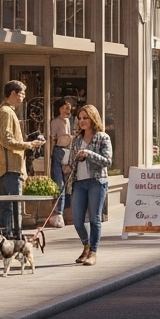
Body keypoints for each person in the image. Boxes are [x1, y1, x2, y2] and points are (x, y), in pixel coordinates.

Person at [0, 81, 44, 237]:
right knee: (14, 205)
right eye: (22, 94)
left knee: (8, 205)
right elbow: (6, 140)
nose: (23, 97)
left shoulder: (6, 111)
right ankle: (15, 236)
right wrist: (29, 145)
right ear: (13, 93)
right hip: (10, 167)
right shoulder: (6, 112)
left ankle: (8, 236)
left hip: (9, 166)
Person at [68, 104, 112, 266]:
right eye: (80, 118)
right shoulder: (77, 139)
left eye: (85, 118)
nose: (82, 121)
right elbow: (71, 162)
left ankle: (93, 252)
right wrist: (71, 162)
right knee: (78, 221)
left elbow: (107, 161)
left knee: (94, 219)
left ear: (93, 119)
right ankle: (86, 245)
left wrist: (89, 154)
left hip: (97, 181)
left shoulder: (102, 137)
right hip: (79, 182)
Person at [48, 98, 75, 220]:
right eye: (65, 107)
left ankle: (63, 209)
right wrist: (50, 153)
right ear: (60, 108)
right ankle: (58, 212)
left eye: (69, 108)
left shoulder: (69, 121)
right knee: (59, 183)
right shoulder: (55, 122)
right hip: (59, 151)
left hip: (68, 151)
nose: (68, 110)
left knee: (67, 183)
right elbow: (52, 138)